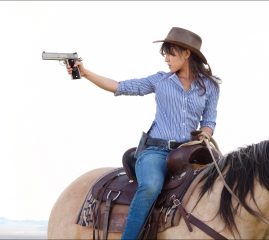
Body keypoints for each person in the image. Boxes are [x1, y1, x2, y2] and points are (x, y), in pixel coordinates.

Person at [65, 27, 221, 239]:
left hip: (190, 153)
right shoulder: (160, 80)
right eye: (165, 53)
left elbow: (209, 120)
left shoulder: (210, 86)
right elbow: (121, 86)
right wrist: (86, 73)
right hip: (156, 151)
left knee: (222, 183)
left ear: (187, 54)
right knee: (150, 187)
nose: (166, 59)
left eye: (170, 53)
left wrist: (205, 133)